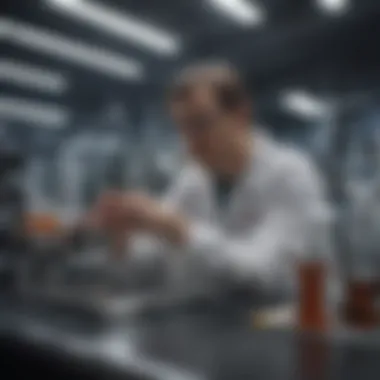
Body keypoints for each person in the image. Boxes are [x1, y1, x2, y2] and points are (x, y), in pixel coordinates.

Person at [89, 61, 332, 295]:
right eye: (183, 128)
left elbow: (267, 273)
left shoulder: (290, 174)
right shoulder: (194, 180)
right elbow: (148, 267)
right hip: (214, 326)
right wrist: (122, 236)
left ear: (240, 114)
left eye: (200, 124)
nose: (190, 143)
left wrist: (179, 229)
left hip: (287, 329)